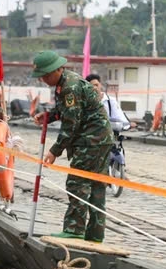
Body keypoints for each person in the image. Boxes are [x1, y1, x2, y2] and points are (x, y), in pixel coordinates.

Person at [31, 51, 113, 243]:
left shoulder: (70, 87)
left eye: (46, 75)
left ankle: (74, 229)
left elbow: (71, 125)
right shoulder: (65, 83)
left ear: (58, 69)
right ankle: (95, 235)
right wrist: (49, 117)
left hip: (91, 140)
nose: (43, 79)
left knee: (77, 182)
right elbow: (68, 112)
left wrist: (54, 151)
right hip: (101, 138)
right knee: (96, 186)